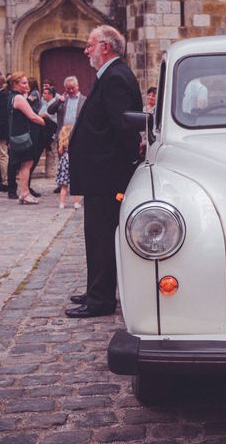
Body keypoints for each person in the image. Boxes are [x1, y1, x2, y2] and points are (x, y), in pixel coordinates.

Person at [65, 25, 143, 318]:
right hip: (100, 174)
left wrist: (125, 164)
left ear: (105, 47)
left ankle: (101, 300)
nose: (86, 50)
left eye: (89, 44)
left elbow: (123, 126)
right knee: (96, 235)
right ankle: (96, 290)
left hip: (107, 174)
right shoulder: (109, 75)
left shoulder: (116, 78)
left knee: (101, 237)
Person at [7, 72, 45, 204]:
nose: (27, 85)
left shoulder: (11, 97)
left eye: (26, 82)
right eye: (23, 83)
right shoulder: (19, 98)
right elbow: (32, 116)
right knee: (26, 164)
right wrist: (45, 122)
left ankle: (24, 193)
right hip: (22, 136)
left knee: (25, 164)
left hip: (16, 135)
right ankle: (25, 193)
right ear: (15, 85)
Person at [47, 76, 86, 193]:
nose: (70, 90)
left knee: (78, 160)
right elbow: (49, 111)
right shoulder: (63, 100)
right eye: (68, 88)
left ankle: (78, 183)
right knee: (62, 160)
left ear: (77, 87)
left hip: (78, 135)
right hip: (63, 135)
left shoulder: (84, 100)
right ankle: (62, 184)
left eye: (72, 88)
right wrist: (59, 101)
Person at [55, 124, 80, 210]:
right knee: (75, 185)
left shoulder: (63, 143)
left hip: (64, 162)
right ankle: (76, 203)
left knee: (64, 187)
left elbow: (60, 151)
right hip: (73, 161)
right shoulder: (74, 142)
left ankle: (62, 203)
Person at [40, 86, 59, 178]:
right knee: (49, 152)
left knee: (53, 152)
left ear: (51, 95)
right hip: (46, 131)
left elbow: (45, 115)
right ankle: (49, 171)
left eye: (45, 93)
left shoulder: (53, 104)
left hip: (52, 130)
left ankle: (53, 172)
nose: (43, 95)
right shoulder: (45, 104)